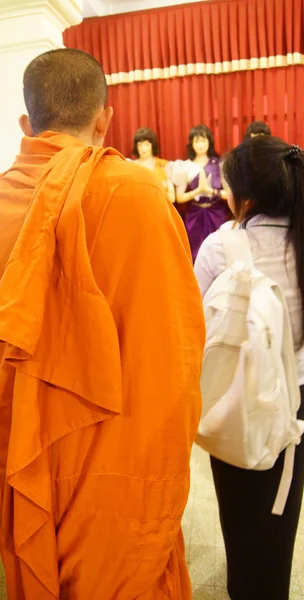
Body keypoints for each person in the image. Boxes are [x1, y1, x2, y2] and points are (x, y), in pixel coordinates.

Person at [0, 49, 204, 600]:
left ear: (26, 124)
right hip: (110, 480)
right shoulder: (137, 195)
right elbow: (172, 363)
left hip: (18, 465)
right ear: (105, 118)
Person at [194, 136, 304, 600]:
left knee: (240, 522)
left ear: (248, 197)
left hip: (238, 399)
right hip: (298, 403)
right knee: (281, 519)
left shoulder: (222, 248)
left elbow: (192, 323)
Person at [173, 125, 228, 262]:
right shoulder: (184, 166)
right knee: (196, 254)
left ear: (209, 142)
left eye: (203, 140)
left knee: (220, 252)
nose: (200, 145)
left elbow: (228, 194)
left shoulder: (219, 164)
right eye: (196, 141)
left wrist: (209, 190)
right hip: (194, 215)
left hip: (216, 213)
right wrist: (198, 190)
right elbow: (179, 198)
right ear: (191, 144)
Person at [132, 127, 175, 201]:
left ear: (153, 145)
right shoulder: (131, 166)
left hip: (160, 208)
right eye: (140, 145)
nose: (143, 148)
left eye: (147, 144)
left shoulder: (164, 165)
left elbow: (172, 198)